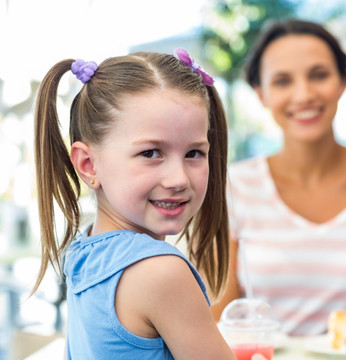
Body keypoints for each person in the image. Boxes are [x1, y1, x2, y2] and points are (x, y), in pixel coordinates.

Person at [211, 19, 346, 336]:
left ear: (342, 82)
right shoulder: (234, 187)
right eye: (282, 81)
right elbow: (219, 324)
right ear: (261, 94)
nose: (304, 94)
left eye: (319, 75)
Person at [32, 48, 235, 359]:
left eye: (194, 153)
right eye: (151, 153)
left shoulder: (84, 253)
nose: (178, 178)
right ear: (88, 165)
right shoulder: (161, 272)